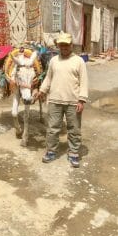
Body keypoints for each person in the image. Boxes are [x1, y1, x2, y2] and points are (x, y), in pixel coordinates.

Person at [37, 32, 88, 168]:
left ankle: (73, 153)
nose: (64, 48)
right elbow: (48, 78)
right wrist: (42, 90)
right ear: (59, 46)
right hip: (55, 100)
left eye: (66, 46)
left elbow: (84, 82)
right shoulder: (54, 61)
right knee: (52, 128)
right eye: (61, 46)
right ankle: (51, 151)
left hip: (73, 102)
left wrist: (81, 100)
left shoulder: (79, 61)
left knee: (74, 128)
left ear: (71, 45)